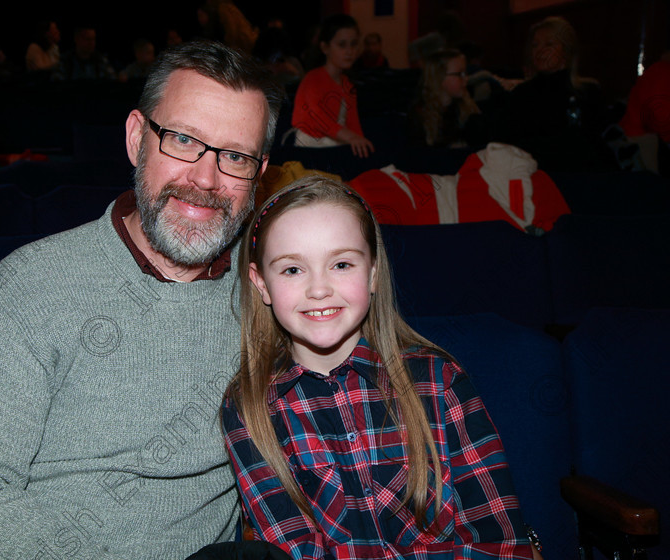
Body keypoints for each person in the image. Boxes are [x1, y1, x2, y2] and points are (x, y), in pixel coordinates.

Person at [0, 40, 284, 559]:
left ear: (258, 173)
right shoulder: (32, 284)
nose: (205, 178)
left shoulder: (274, 290)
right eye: (182, 139)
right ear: (137, 139)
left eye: (235, 156)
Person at [221, 176, 538, 559]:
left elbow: (500, 541)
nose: (319, 289)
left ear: (372, 274)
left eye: (340, 264)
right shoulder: (250, 409)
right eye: (292, 270)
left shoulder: (441, 382)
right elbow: (296, 550)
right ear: (261, 285)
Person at [494, 16, 613, 171]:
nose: (540, 50)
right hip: (535, 175)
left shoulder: (587, 92)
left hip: (584, 175)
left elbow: (597, 143)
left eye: (549, 44)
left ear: (566, 50)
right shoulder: (521, 94)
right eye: (535, 45)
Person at [291, 14, 374, 158]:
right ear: (325, 47)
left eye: (353, 44)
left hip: (336, 143)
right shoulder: (313, 79)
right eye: (342, 45)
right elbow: (319, 119)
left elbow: (353, 122)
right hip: (310, 147)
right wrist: (351, 138)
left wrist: (360, 143)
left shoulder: (347, 84)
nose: (349, 51)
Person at [407, 48, 486, 147]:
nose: (466, 78)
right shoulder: (420, 115)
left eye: (465, 73)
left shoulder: (466, 109)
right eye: (459, 74)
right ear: (439, 77)